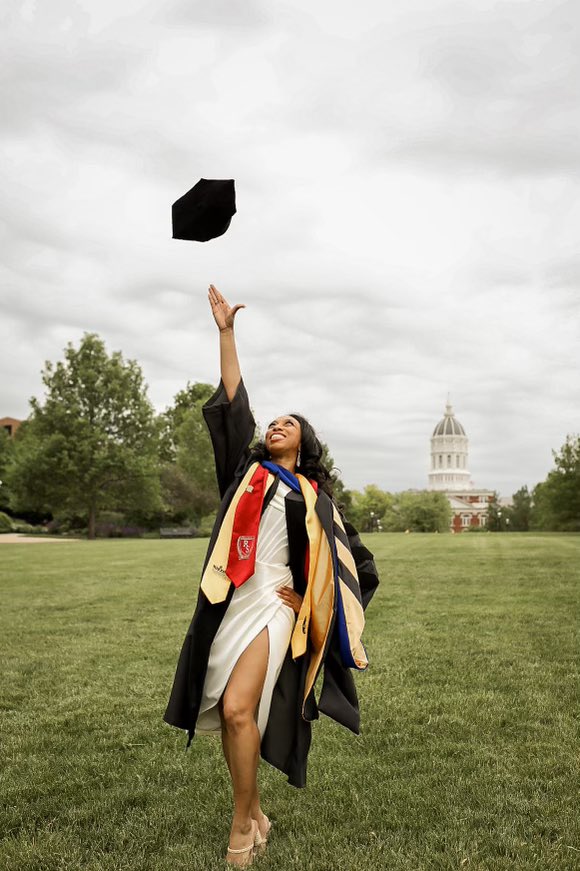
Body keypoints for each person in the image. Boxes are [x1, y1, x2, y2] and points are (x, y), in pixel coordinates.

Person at [164, 285, 379, 867]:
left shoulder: (314, 499)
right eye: (274, 422)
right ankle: (255, 810)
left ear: (305, 442)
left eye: (290, 422)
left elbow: (356, 566)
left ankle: (240, 824)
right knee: (231, 712)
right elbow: (235, 405)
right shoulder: (247, 473)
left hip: (275, 605)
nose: (277, 425)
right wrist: (226, 333)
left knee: (237, 709)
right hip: (230, 596)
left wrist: (307, 601)